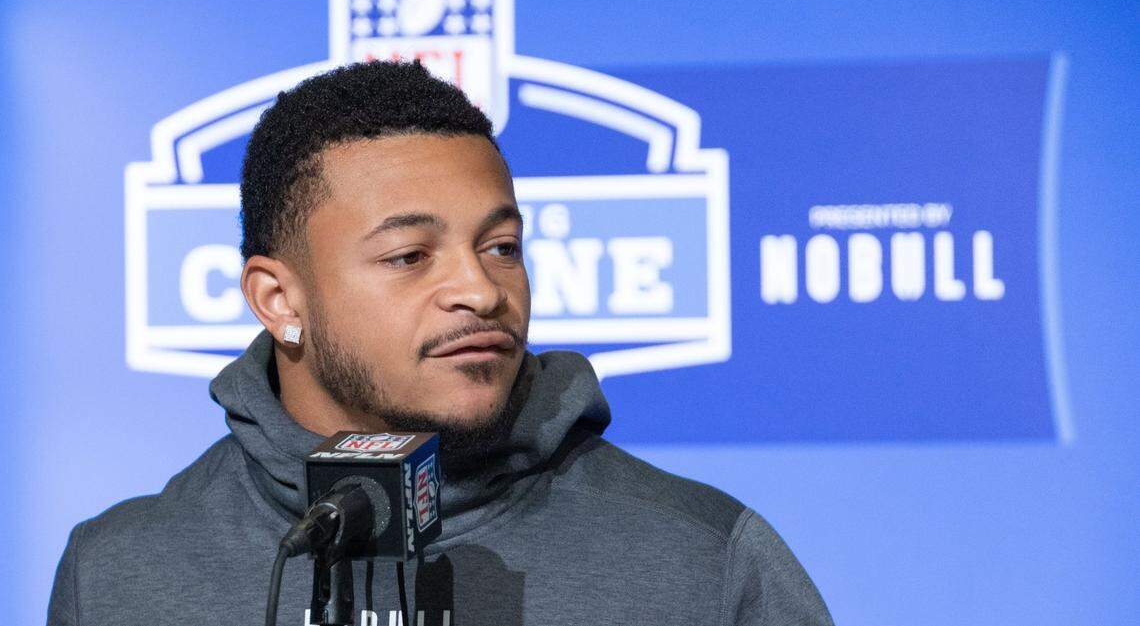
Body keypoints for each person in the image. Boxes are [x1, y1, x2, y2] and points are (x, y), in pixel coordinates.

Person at [48, 60, 833, 626]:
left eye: (501, 247)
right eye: (410, 256)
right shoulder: (122, 572)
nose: (482, 290)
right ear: (278, 299)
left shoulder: (700, 561)